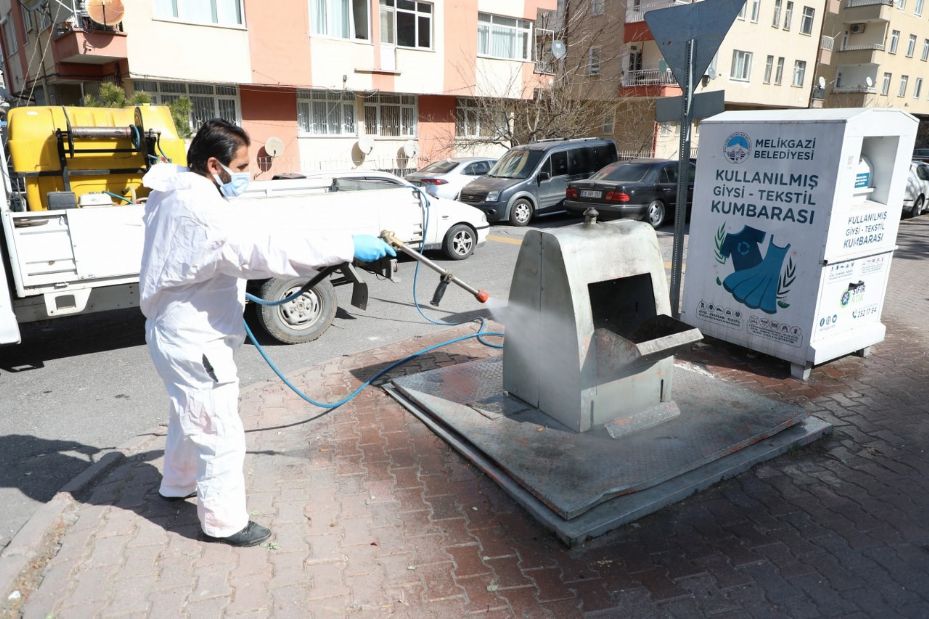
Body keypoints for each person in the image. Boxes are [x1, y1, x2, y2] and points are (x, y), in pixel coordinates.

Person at [139, 119, 394, 547]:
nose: (245, 175)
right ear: (214, 164)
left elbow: (253, 232)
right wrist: (347, 246)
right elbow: (262, 251)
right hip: (194, 340)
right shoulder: (200, 212)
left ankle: (176, 483)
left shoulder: (178, 190)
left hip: (174, 331)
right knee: (218, 429)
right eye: (240, 167)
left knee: (189, 415)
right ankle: (224, 523)